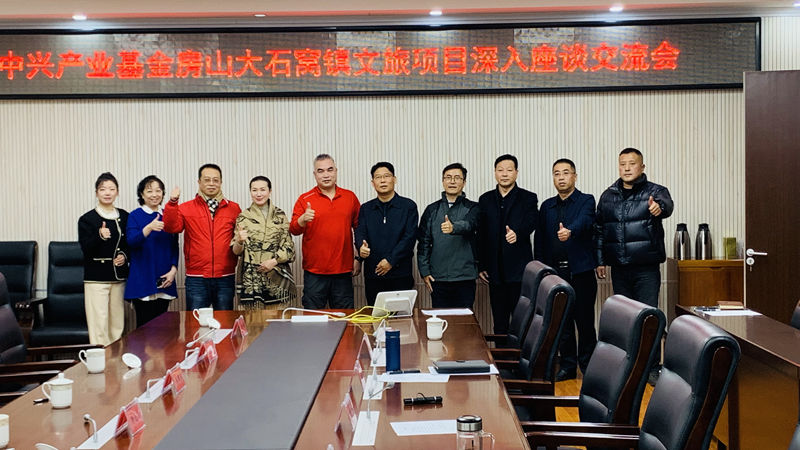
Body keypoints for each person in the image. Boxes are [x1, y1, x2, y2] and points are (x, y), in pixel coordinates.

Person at [595, 147, 673, 382]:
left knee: (649, 319)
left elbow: (666, 205)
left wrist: (659, 208)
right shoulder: (608, 196)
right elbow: (599, 230)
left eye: (632, 163)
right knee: (625, 321)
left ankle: (651, 368)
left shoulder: (655, 192)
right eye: (623, 164)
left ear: (642, 167)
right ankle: (628, 368)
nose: (627, 168)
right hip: (619, 269)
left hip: (646, 268)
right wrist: (600, 260)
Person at [535, 159, 597, 381]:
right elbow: (540, 240)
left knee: (585, 322)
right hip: (555, 274)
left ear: (575, 176)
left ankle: (589, 367)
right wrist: (542, 270)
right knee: (562, 322)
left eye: (565, 173)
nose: (561, 177)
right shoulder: (547, 206)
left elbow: (586, 221)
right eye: (556, 173)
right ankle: (568, 366)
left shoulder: (586, 200)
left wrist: (570, 231)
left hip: (581, 272)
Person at [164, 163, 241, 311]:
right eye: (207, 180)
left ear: (221, 182)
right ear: (199, 182)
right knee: (196, 321)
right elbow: (171, 227)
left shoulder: (234, 208)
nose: (211, 183)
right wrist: (172, 203)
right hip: (197, 278)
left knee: (224, 321)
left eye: (215, 180)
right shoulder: (186, 208)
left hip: (225, 276)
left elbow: (239, 238)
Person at [477, 154, 538, 335]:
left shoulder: (528, 198)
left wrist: (518, 233)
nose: (504, 174)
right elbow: (481, 234)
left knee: (522, 323)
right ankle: (501, 355)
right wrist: (481, 265)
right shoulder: (485, 199)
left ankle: (521, 355)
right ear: (495, 173)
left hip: (519, 272)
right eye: (500, 170)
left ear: (516, 173)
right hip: (494, 273)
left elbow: (533, 221)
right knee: (499, 323)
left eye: (509, 170)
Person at [290, 154, 360, 309]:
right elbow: (293, 230)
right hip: (314, 272)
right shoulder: (304, 199)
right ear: (315, 174)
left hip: (343, 270)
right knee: (313, 318)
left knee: (344, 317)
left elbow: (359, 229)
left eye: (330, 170)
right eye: (320, 171)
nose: (326, 175)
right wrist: (302, 220)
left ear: (336, 171)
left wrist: (358, 258)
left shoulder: (350, 197)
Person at [354, 162, 418, 305]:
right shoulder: (366, 208)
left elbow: (409, 237)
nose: (382, 180)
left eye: (387, 176)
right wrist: (361, 247)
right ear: (373, 183)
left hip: (400, 274)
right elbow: (360, 232)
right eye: (378, 177)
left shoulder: (408, 206)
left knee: (402, 316)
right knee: (376, 314)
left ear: (394, 179)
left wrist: (390, 261)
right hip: (374, 274)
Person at [417, 163, 479, 309]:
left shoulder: (473, 207)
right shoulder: (432, 209)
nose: (452, 181)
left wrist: (453, 227)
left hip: (465, 277)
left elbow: (470, 224)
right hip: (438, 278)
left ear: (464, 182)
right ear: (443, 181)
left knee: (464, 320)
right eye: (448, 177)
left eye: (457, 178)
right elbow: (423, 243)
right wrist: (424, 271)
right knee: (441, 319)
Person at [78, 172, 129, 346]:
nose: (107, 193)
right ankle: (100, 359)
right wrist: (99, 236)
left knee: (117, 324)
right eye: (103, 189)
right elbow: (86, 249)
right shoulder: (87, 219)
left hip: (118, 277)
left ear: (117, 192)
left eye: (111, 189)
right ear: (96, 192)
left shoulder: (125, 216)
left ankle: (116, 359)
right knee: (99, 325)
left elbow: (129, 244)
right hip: (96, 278)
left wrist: (124, 256)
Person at [232, 176, 296, 309]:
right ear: (250, 192)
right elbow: (236, 251)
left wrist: (274, 261)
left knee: (278, 317)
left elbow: (289, 247)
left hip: (276, 274)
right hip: (251, 278)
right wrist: (239, 241)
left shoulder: (280, 215)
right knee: (252, 319)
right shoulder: (243, 217)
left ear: (270, 191)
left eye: (262, 189)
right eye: (254, 190)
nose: (258, 194)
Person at [125, 175, 179, 327]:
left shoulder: (168, 215)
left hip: (164, 278)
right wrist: (149, 228)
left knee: (163, 328)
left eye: (158, 191)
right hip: (142, 278)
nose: (154, 194)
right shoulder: (135, 215)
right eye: (149, 191)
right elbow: (131, 241)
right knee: (144, 327)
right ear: (142, 194)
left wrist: (173, 270)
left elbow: (174, 245)